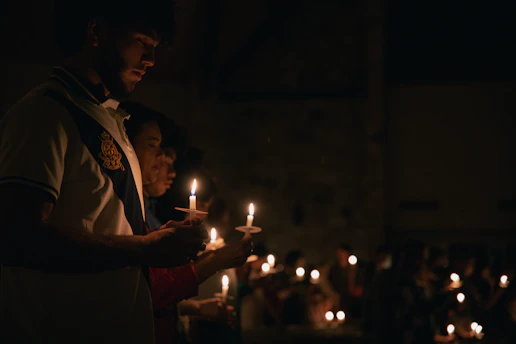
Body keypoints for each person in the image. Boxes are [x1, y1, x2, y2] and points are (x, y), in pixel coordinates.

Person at [0, 1, 206, 343]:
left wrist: (159, 239)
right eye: (142, 43)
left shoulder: (108, 120)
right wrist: (144, 248)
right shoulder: (44, 114)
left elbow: (104, 222)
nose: (151, 60)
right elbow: (17, 236)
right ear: (96, 31)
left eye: (155, 48)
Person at [124, 103, 252, 343]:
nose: (162, 159)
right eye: (154, 147)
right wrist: (215, 260)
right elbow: (152, 290)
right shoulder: (124, 213)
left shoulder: (141, 215)